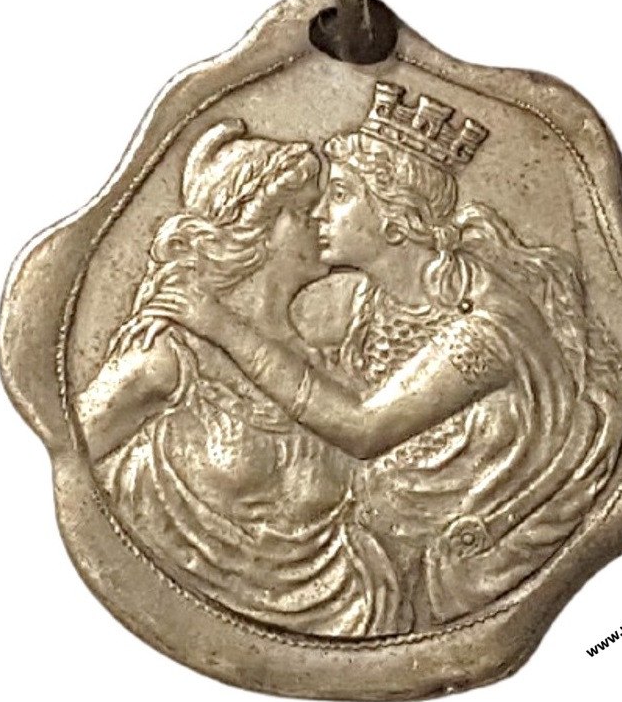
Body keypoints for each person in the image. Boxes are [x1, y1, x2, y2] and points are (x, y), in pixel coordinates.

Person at [142, 83, 622, 630]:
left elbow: (364, 429)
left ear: (395, 217)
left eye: (340, 194)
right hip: (374, 554)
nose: (318, 212)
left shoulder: (484, 328)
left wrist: (217, 325)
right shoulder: (373, 302)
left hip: (472, 571)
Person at [76, 118, 400, 637]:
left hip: (350, 619)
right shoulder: (172, 355)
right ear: (257, 230)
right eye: (302, 211)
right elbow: (67, 460)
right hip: (174, 618)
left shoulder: (329, 370)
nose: (321, 218)